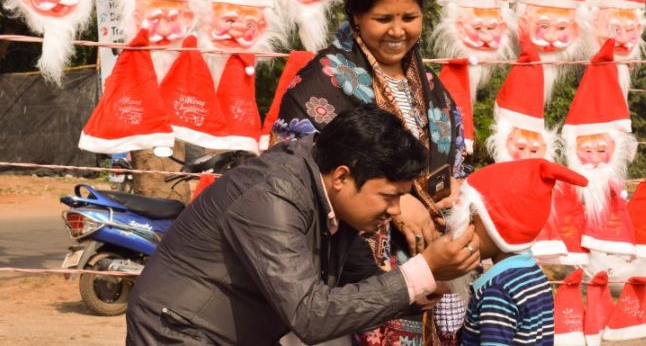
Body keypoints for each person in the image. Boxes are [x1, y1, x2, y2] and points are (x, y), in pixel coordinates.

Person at [125, 104, 481, 345]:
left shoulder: (327, 193)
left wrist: (421, 291)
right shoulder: (274, 195)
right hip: (179, 330)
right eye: (388, 196)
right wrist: (422, 270)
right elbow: (310, 315)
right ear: (343, 176)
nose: (393, 210)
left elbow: (363, 285)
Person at [274, 0, 468, 343]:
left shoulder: (431, 87)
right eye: (384, 19)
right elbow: (299, 175)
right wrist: (399, 206)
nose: (397, 31)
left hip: (430, 273)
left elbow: (456, 164)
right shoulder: (320, 83)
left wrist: (455, 196)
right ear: (356, 15)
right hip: (352, 280)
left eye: (409, 18)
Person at [444, 159, 588, 345]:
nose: (465, 230)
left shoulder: (498, 292)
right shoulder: (535, 276)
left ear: (496, 226)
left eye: (472, 220)